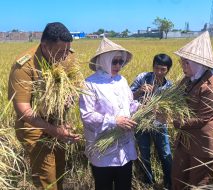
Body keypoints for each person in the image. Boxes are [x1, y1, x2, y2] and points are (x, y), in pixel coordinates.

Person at [8, 22, 80, 190]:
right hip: (34, 128)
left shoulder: (67, 55)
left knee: (60, 170)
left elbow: (76, 83)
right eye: (60, 52)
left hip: (58, 123)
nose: (64, 56)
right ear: (45, 46)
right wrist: (53, 130)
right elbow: (23, 109)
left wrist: (70, 95)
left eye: (67, 50)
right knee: (46, 178)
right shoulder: (24, 66)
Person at [79, 37, 139, 190]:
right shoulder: (90, 83)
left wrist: (143, 108)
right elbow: (87, 116)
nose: (118, 65)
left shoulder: (122, 80)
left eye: (121, 61)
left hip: (124, 148)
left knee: (124, 186)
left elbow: (130, 105)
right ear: (104, 61)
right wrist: (114, 121)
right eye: (114, 61)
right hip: (103, 150)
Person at [171, 31, 213, 189]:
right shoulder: (188, 79)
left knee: (198, 182)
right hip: (186, 139)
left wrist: (173, 121)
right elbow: (175, 96)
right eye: (182, 62)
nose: (183, 67)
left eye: (186, 63)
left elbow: (203, 117)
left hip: (203, 142)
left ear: (198, 63)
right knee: (178, 177)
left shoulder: (211, 85)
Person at [130, 53, 173, 189]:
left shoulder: (169, 87)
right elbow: (127, 97)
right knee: (144, 153)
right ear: (153, 67)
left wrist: (160, 109)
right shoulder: (143, 78)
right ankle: (149, 182)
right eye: (156, 68)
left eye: (163, 70)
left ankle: (169, 181)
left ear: (168, 70)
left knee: (165, 153)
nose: (159, 72)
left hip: (159, 125)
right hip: (141, 123)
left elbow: (171, 108)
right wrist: (139, 91)